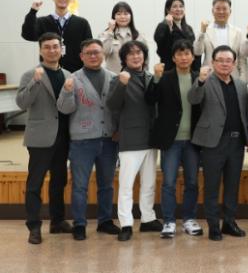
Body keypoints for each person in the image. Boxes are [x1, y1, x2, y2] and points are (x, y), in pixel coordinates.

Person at [188, 45, 248, 241]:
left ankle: (229, 222)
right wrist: (200, 80)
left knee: (232, 185)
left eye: (229, 61)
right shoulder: (205, 81)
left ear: (234, 63)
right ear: (213, 62)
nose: (225, 64)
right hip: (213, 142)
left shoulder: (240, 84)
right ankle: (213, 226)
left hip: (237, 142)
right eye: (220, 60)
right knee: (212, 186)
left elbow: (247, 112)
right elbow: (193, 99)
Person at [56, 39, 120, 241]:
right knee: (80, 186)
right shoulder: (73, 79)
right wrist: (67, 91)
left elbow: (119, 108)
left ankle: (105, 221)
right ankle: (79, 224)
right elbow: (64, 109)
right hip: (82, 141)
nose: (93, 56)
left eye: (97, 52)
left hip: (109, 140)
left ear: (103, 54)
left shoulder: (113, 78)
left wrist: (118, 129)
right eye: (89, 53)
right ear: (81, 56)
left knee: (107, 184)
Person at [16, 33, 73, 244]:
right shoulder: (30, 74)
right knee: (35, 183)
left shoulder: (68, 74)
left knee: (59, 181)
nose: (52, 50)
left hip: (63, 137)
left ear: (61, 49)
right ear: (40, 50)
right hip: (40, 137)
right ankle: (34, 227)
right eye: (47, 47)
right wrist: (35, 82)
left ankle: (57, 221)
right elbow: (22, 103)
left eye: (55, 46)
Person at [145, 39, 203, 239]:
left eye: (187, 53)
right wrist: (156, 78)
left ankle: (189, 219)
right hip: (171, 140)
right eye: (179, 54)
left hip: (193, 141)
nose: (184, 57)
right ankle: (168, 221)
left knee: (192, 182)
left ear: (192, 57)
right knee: (169, 182)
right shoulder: (165, 77)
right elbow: (150, 99)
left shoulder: (199, 77)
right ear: (173, 58)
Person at [106, 40, 162, 241]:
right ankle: (126, 224)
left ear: (144, 56)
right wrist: (122, 84)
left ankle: (148, 219)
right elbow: (112, 105)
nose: (136, 56)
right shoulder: (119, 78)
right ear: (124, 58)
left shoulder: (151, 77)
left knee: (149, 183)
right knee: (126, 185)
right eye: (131, 54)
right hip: (130, 139)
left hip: (151, 139)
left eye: (139, 52)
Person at [21, 0, 93, 73]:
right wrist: (32, 12)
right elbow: (28, 35)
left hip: (76, 73)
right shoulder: (42, 22)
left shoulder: (82, 23)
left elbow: (89, 48)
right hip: (48, 72)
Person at [195, 0, 248, 82]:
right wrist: (202, 31)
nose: (221, 12)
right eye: (218, 9)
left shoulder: (238, 32)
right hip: (210, 78)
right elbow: (197, 52)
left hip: (233, 79)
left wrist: (243, 81)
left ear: (230, 11)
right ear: (212, 11)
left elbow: (242, 59)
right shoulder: (205, 31)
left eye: (224, 9)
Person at [154, 0, 200, 72]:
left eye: (181, 6)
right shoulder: (162, 26)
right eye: (175, 7)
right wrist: (169, 27)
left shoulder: (188, 28)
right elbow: (161, 50)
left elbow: (193, 50)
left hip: (189, 69)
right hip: (170, 70)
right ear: (168, 10)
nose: (178, 9)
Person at [100, 1, 148, 73]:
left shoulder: (139, 36)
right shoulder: (105, 34)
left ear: (131, 16)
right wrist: (110, 31)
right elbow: (104, 52)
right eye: (118, 14)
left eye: (126, 14)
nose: (122, 17)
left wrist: (144, 75)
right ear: (113, 17)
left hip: (135, 77)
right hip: (113, 76)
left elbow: (145, 59)